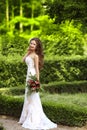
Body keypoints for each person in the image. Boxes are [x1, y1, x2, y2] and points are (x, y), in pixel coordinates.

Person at [18, 38, 57, 129]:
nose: (31, 45)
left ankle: (33, 119)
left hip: (33, 76)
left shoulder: (35, 56)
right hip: (28, 77)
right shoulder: (29, 54)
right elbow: (22, 60)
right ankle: (25, 117)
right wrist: (27, 52)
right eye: (31, 43)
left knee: (33, 97)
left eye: (34, 44)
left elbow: (37, 69)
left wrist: (37, 81)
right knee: (27, 97)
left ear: (37, 46)